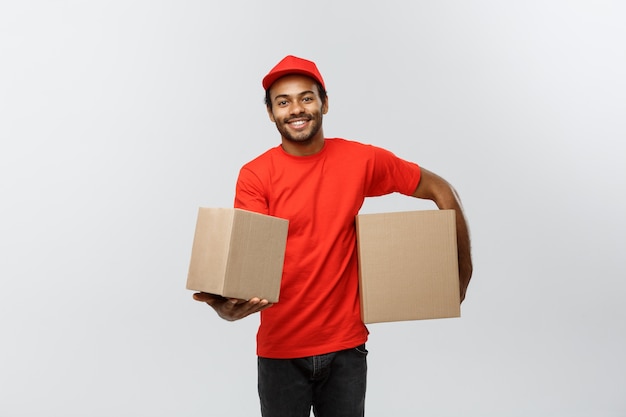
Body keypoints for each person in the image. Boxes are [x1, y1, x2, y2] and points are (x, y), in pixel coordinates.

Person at [193, 55, 473, 417]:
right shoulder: (255, 175)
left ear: (324, 103)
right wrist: (224, 307)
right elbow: (248, 266)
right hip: (281, 352)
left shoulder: (360, 160)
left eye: (306, 98)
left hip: (346, 350)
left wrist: (462, 271)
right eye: (283, 101)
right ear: (271, 113)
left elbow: (441, 189)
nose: (296, 109)